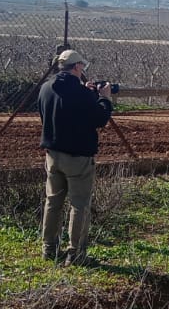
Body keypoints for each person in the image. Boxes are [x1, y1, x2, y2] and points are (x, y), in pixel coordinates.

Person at [38, 49, 113, 266]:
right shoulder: (80, 94)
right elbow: (99, 118)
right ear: (77, 67)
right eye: (82, 66)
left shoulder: (46, 88)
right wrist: (104, 99)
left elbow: (46, 113)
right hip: (78, 157)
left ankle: (48, 248)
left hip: (53, 154)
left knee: (53, 201)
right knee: (79, 204)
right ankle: (76, 253)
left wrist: (87, 93)